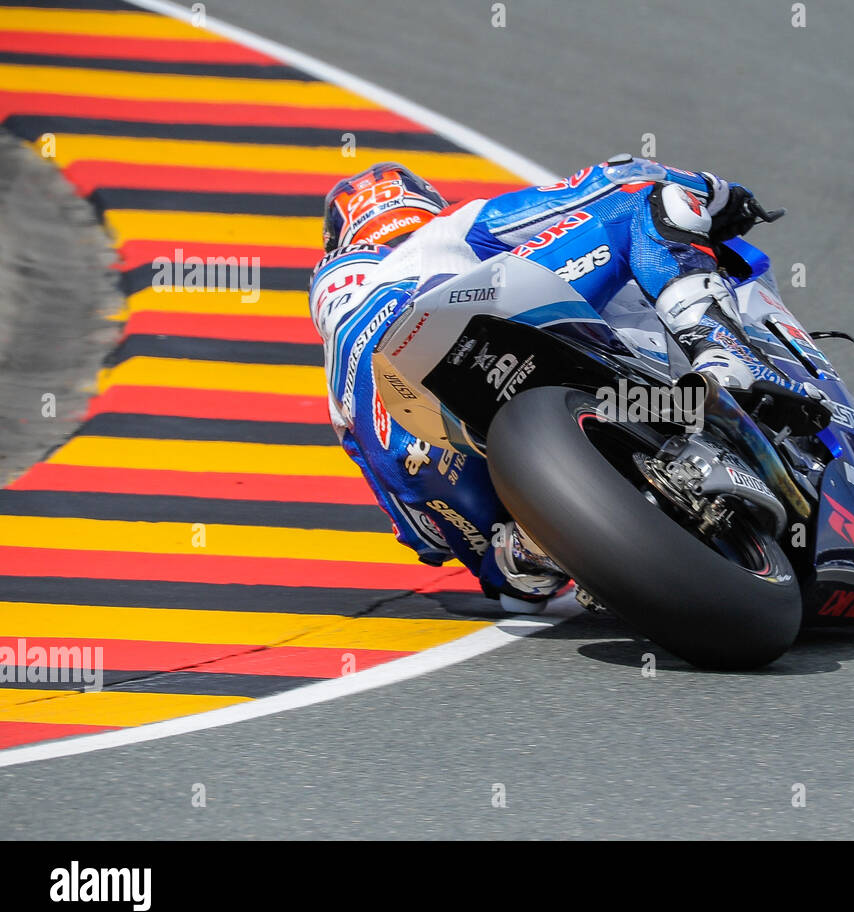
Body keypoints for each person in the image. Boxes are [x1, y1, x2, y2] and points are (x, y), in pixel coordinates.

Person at [308, 155, 794, 611]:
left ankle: (528, 551)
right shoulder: (446, 230)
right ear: (424, 205)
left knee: (515, 587)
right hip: (458, 325)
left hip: (409, 450)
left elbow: (420, 532)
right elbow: (613, 177)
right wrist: (723, 196)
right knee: (643, 202)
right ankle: (725, 355)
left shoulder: (336, 376)